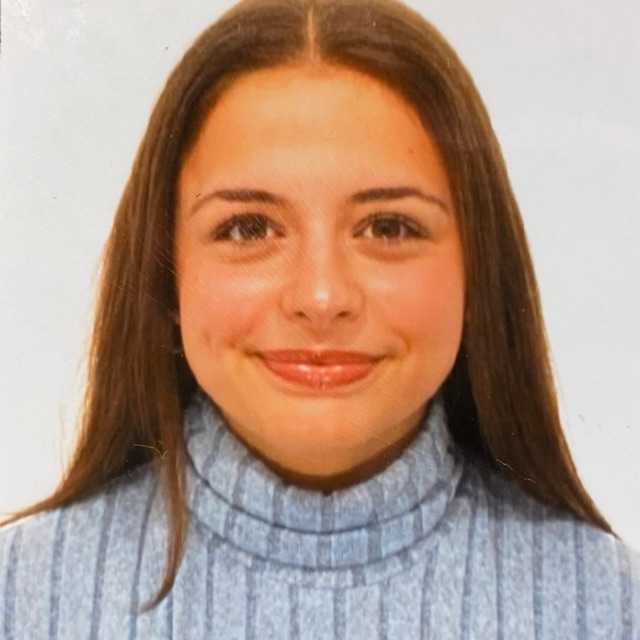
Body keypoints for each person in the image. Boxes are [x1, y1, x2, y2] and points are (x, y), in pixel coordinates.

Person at [1, 0, 638, 637]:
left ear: (478, 269)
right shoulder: (19, 594)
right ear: (165, 272)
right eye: (249, 228)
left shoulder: (606, 605)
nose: (322, 296)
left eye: (389, 227)